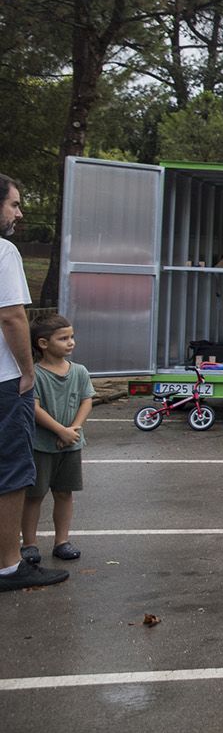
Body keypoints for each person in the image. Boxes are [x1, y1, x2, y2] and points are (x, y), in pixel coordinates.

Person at [0, 175, 67, 593]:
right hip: (4, 384)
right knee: (10, 471)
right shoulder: (4, 252)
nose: (19, 214)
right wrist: (28, 371)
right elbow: (12, 316)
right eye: (13, 205)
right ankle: (9, 565)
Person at [21, 315, 92, 565]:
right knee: (34, 495)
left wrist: (73, 429)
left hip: (71, 444)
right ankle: (29, 545)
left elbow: (86, 400)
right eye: (63, 338)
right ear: (43, 343)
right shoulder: (35, 374)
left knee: (64, 493)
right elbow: (34, 407)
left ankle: (62, 541)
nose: (70, 342)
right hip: (41, 445)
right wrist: (60, 431)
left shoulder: (80, 371)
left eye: (71, 337)